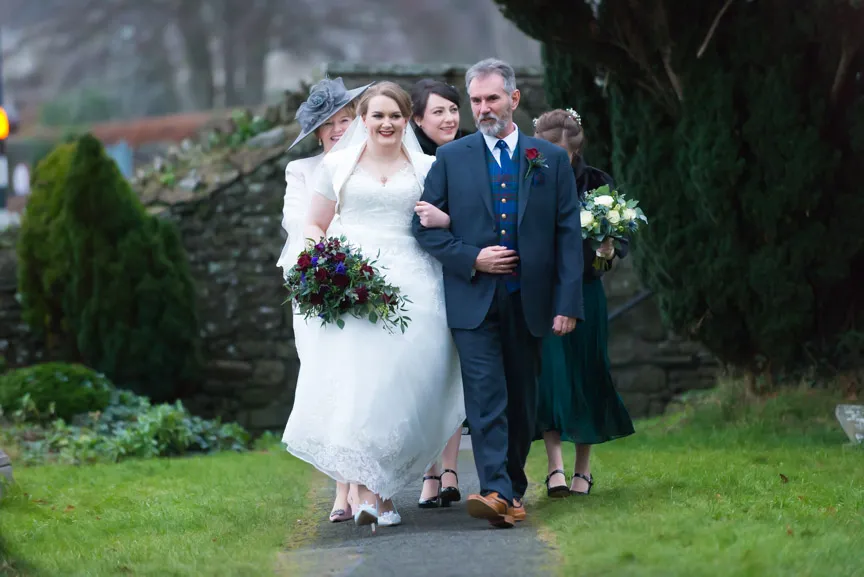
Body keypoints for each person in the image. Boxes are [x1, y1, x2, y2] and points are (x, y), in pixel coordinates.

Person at [281, 82, 465, 532]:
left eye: (395, 116)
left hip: (414, 287)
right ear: (363, 120)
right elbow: (314, 224)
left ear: (407, 121)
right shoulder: (338, 166)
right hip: (354, 284)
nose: (386, 124)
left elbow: (447, 219)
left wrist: (444, 220)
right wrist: (323, 267)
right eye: (377, 116)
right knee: (360, 386)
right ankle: (366, 493)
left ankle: (381, 493)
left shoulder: (428, 167)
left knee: (399, 388)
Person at [412, 59, 584, 529]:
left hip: (529, 302)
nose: (483, 108)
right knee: (486, 398)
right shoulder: (451, 158)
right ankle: (495, 490)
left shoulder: (547, 159)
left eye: (492, 98)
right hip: (473, 299)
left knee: (522, 399)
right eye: (477, 100)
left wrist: (567, 303)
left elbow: (568, 234)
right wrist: (472, 257)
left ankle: (512, 489)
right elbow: (423, 229)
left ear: (514, 99)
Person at [276, 76, 372, 523]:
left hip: (366, 284)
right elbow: (298, 220)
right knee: (328, 379)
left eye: (345, 120)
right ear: (317, 133)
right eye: (329, 124)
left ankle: (358, 484)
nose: (338, 129)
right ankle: (340, 487)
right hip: (318, 285)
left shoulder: (370, 164)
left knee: (359, 381)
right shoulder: (302, 172)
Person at [532, 109, 635, 497]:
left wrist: (606, 250)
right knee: (552, 376)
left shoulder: (597, 183)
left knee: (587, 372)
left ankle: (583, 470)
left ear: (575, 150)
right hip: (544, 292)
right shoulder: (530, 177)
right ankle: (554, 467)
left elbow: (613, 250)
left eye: (561, 152)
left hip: (587, 292)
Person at [409, 78, 469, 509]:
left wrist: (449, 220)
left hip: (459, 270)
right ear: (417, 118)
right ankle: (429, 470)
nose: (449, 119)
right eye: (438, 112)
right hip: (415, 271)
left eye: (453, 109)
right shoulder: (404, 157)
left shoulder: (470, 150)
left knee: (453, 371)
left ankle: (450, 470)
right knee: (423, 374)